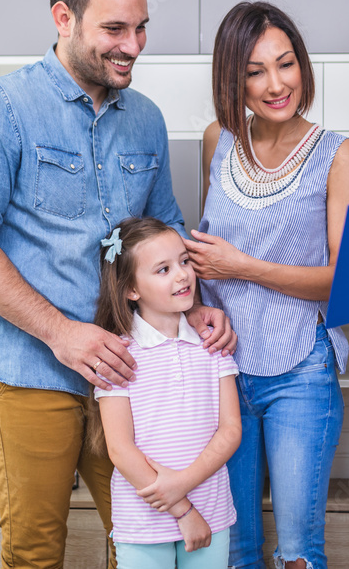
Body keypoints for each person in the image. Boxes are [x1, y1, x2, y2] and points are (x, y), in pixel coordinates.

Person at [0, 0, 234, 569]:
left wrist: (195, 303)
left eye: (142, 27)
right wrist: (63, 333)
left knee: (143, 541)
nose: (133, 45)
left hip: (129, 376)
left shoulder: (145, 119)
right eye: (115, 28)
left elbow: (163, 231)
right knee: (36, 552)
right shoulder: (0, 108)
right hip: (26, 368)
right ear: (63, 19)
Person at [185, 1, 349, 569]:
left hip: (300, 370)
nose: (276, 83)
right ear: (232, 79)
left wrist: (243, 267)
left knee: (297, 553)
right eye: (255, 71)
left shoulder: (338, 154)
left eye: (286, 64)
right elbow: (202, 249)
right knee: (233, 550)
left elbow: (344, 281)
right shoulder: (218, 140)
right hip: (222, 369)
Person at [92, 217, 241, 569]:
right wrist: (182, 508)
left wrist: (182, 486)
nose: (182, 275)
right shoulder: (118, 355)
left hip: (211, 512)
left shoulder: (212, 344)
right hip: (143, 521)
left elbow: (231, 430)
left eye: (184, 261)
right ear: (131, 289)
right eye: (163, 269)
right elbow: (121, 449)